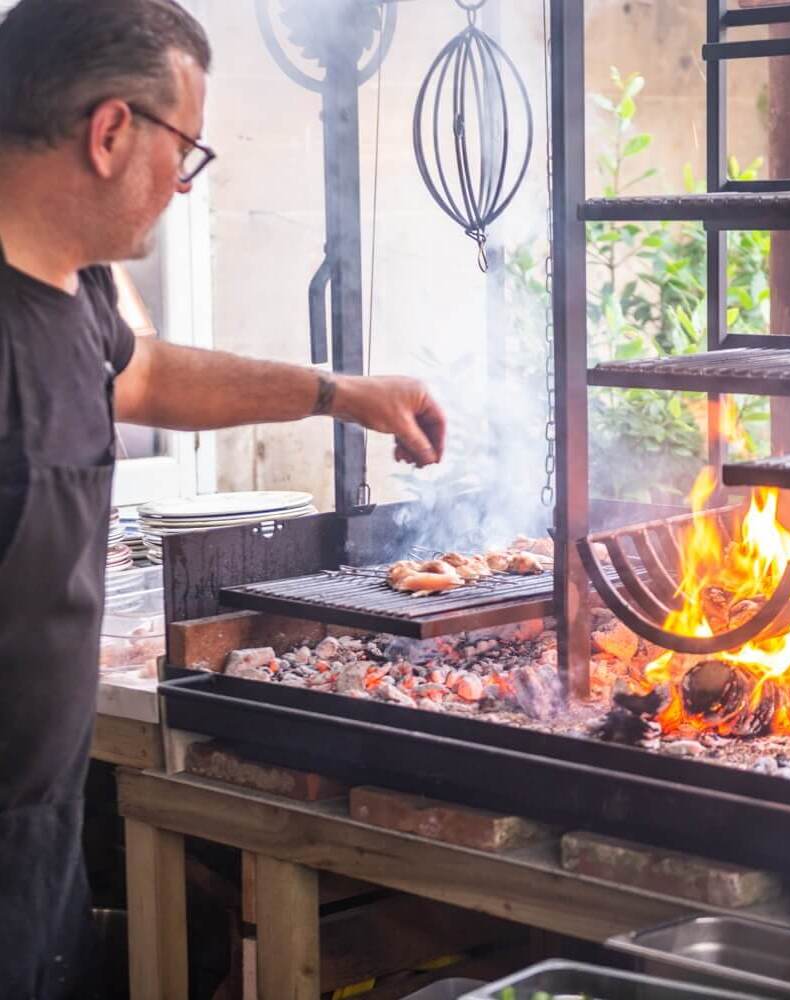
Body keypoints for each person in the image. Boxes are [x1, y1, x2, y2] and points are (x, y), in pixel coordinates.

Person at [0, 1, 446, 996]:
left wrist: (340, 393)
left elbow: (146, 373)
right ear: (110, 132)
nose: (185, 186)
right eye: (185, 150)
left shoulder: (78, 296)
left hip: (39, 828)